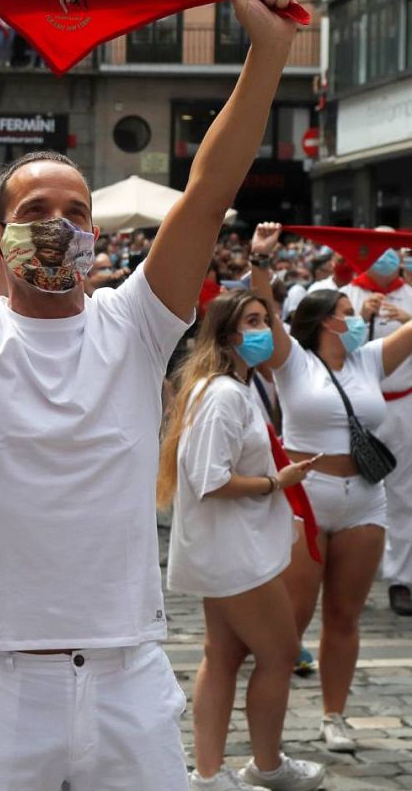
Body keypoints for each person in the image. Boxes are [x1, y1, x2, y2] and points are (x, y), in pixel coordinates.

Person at [0, 0, 301, 789]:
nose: (58, 226)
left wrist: (268, 55)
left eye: (76, 212)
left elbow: (211, 187)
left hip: (126, 674)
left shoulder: (135, 322)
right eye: (35, 210)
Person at [251, 230, 412, 755]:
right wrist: (260, 258)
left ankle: (334, 715)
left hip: (366, 497)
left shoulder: (368, 359)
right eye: (347, 310)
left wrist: (398, 302)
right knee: (291, 620)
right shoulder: (294, 360)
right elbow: (265, 310)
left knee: (345, 616)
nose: (358, 316)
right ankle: (268, 715)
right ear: (323, 321)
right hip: (307, 496)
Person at [160, 288, 326, 791]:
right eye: (253, 321)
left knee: (225, 656)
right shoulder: (225, 394)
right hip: (234, 555)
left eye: (267, 319)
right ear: (229, 336)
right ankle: (265, 764)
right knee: (279, 654)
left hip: (233, 549)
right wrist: (278, 482)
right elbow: (209, 478)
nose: (264, 330)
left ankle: (211, 774)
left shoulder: (234, 388)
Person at [336, 240, 412, 613]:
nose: (387, 256)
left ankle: (401, 578)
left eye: (393, 249)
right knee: (353, 491)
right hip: (357, 410)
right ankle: (351, 577)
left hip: (403, 405)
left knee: (404, 493)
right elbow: (325, 345)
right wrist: (358, 320)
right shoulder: (347, 294)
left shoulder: (410, 296)